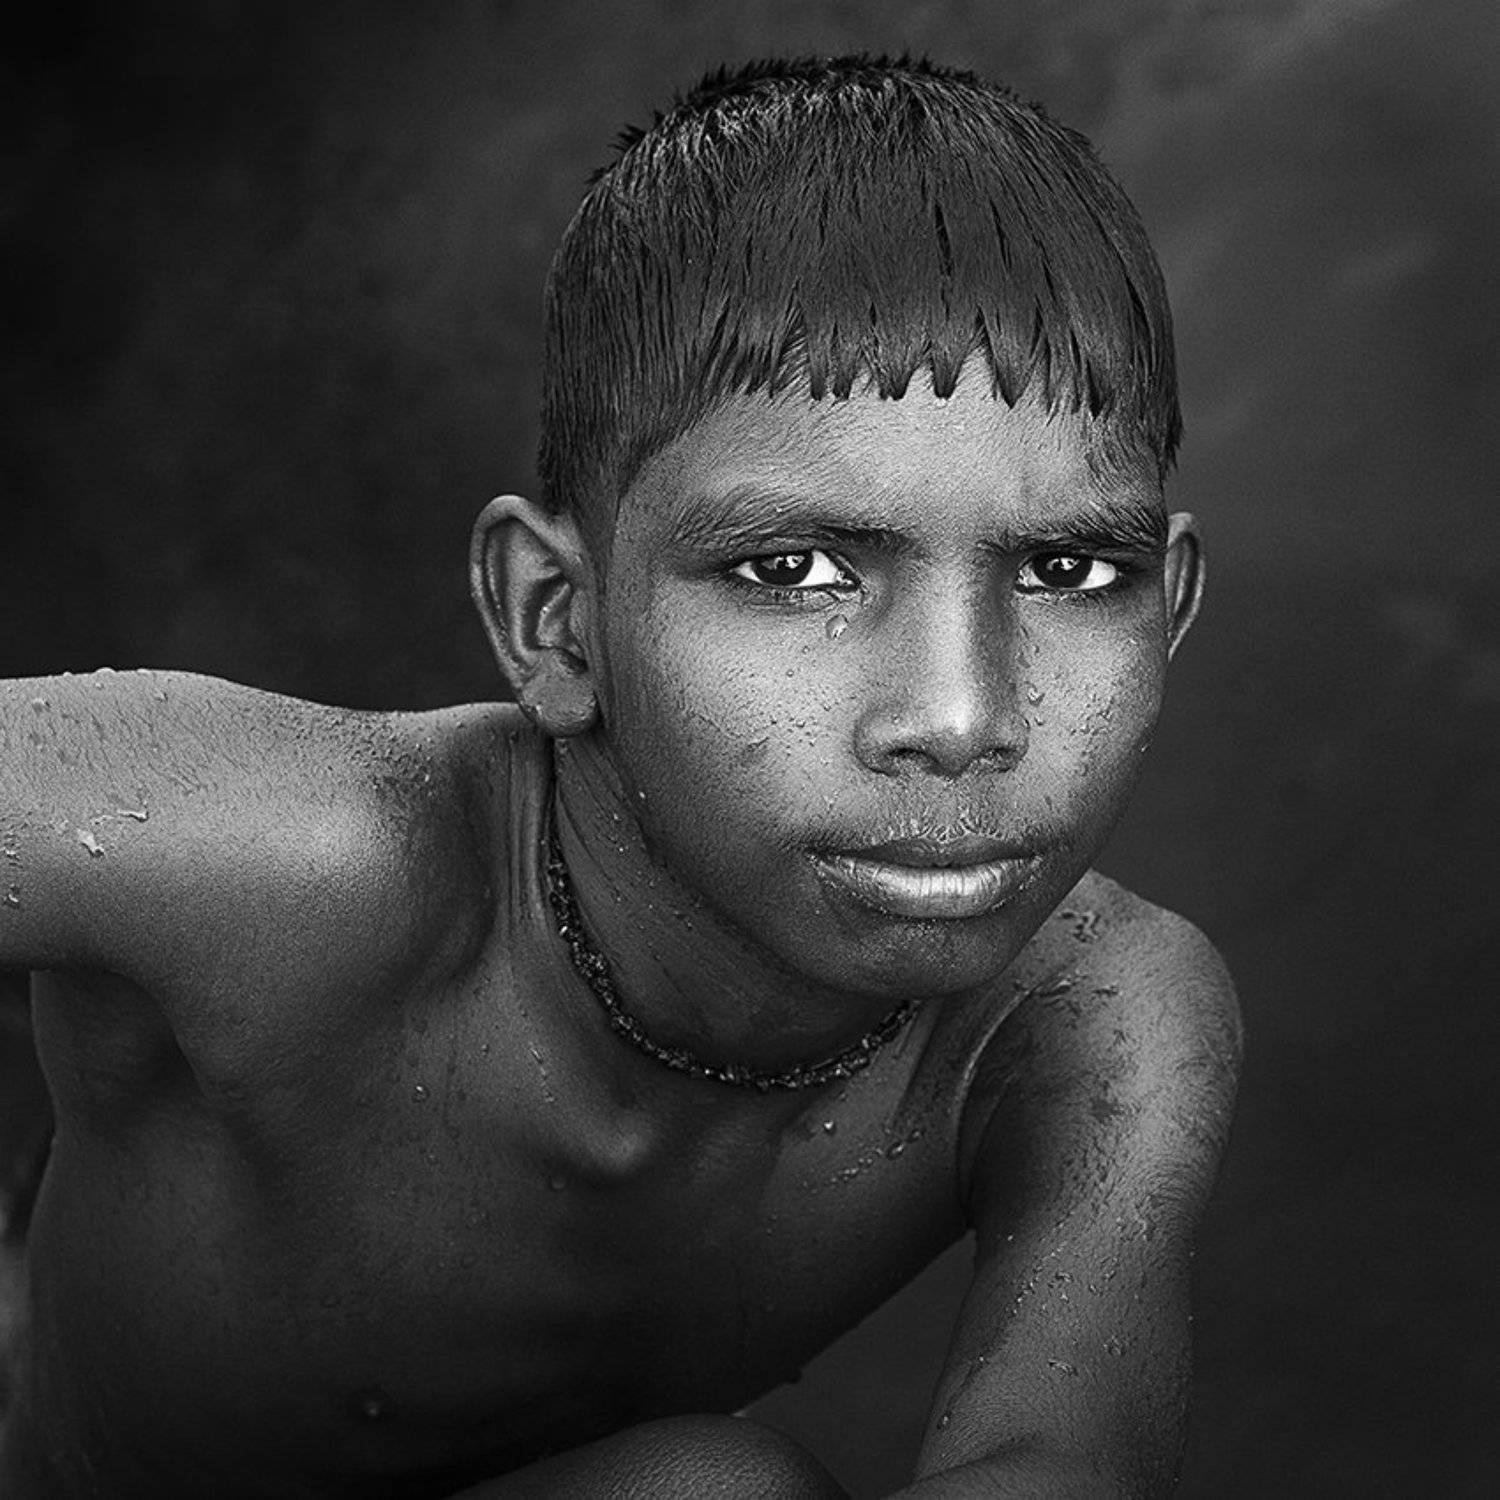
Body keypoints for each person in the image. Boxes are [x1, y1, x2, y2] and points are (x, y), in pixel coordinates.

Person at [0, 55, 1241, 1499]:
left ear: (1169, 609)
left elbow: (1058, 1467)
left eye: (1070, 571)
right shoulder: (284, 858)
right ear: (558, 619)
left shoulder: (1087, 1022)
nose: (964, 718)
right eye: (796, 570)